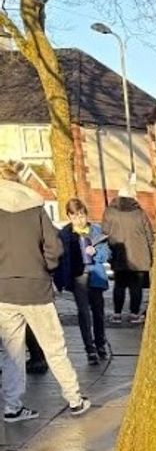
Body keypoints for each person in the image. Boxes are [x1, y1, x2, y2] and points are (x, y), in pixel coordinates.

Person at [0, 165, 90, 421]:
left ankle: (12, 406)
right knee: (54, 347)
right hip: (36, 287)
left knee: (11, 351)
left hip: (4, 289)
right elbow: (55, 248)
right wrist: (46, 267)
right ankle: (74, 399)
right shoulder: (35, 210)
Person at [55, 198, 110, 364]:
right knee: (84, 313)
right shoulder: (65, 234)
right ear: (69, 217)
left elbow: (106, 254)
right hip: (78, 277)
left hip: (95, 275)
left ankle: (100, 344)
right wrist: (60, 281)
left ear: (86, 214)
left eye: (82, 215)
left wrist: (96, 253)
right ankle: (90, 349)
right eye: (75, 217)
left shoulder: (96, 230)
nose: (79, 220)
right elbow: (60, 259)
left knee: (98, 313)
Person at [102, 184, 155, 324]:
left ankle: (117, 314)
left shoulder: (110, 212)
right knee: (135, 286)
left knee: (119, 285)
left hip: (119, 254)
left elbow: (104, 232)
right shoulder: (139, 213)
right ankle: (134, 313)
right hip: (139, 255)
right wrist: (152, 252)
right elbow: (149, 235)